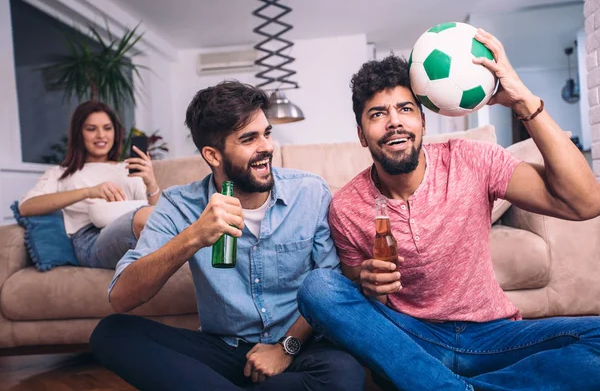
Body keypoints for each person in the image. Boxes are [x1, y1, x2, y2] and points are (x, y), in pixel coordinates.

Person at [297, 28, 600, 391]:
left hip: (494, 335)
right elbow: (360, 310)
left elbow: (585, 202)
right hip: (411, 341)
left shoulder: (472, 160)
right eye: (377, 114)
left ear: (423, 121)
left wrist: (522, 99)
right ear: (361, 134)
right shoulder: (347, 206)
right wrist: (368, 284)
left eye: (405, 109)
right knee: (317, 287)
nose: (394, 120)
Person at [89, 80, 365, 391]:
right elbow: (122, 298)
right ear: (213, 155)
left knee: (344, 373)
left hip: (298, 347)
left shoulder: (309, 192)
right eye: (249, 139)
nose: (267, 147)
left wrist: (286, 348)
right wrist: (193, 236)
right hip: (224, 350)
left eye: (267, 134)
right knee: (111, 333)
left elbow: (332, 286)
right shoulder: (178, 204)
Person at [19, 101, 159, 269]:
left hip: (136, 225)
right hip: (89, 240)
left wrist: (151, 183)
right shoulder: (61, 173)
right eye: (91, 129)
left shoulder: (128, 168)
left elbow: (157, 216)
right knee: (146, 218)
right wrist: (89, 192)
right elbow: (27, 207)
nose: (101, 135)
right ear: (79, 134)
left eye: (107, 128)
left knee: (157, 218)